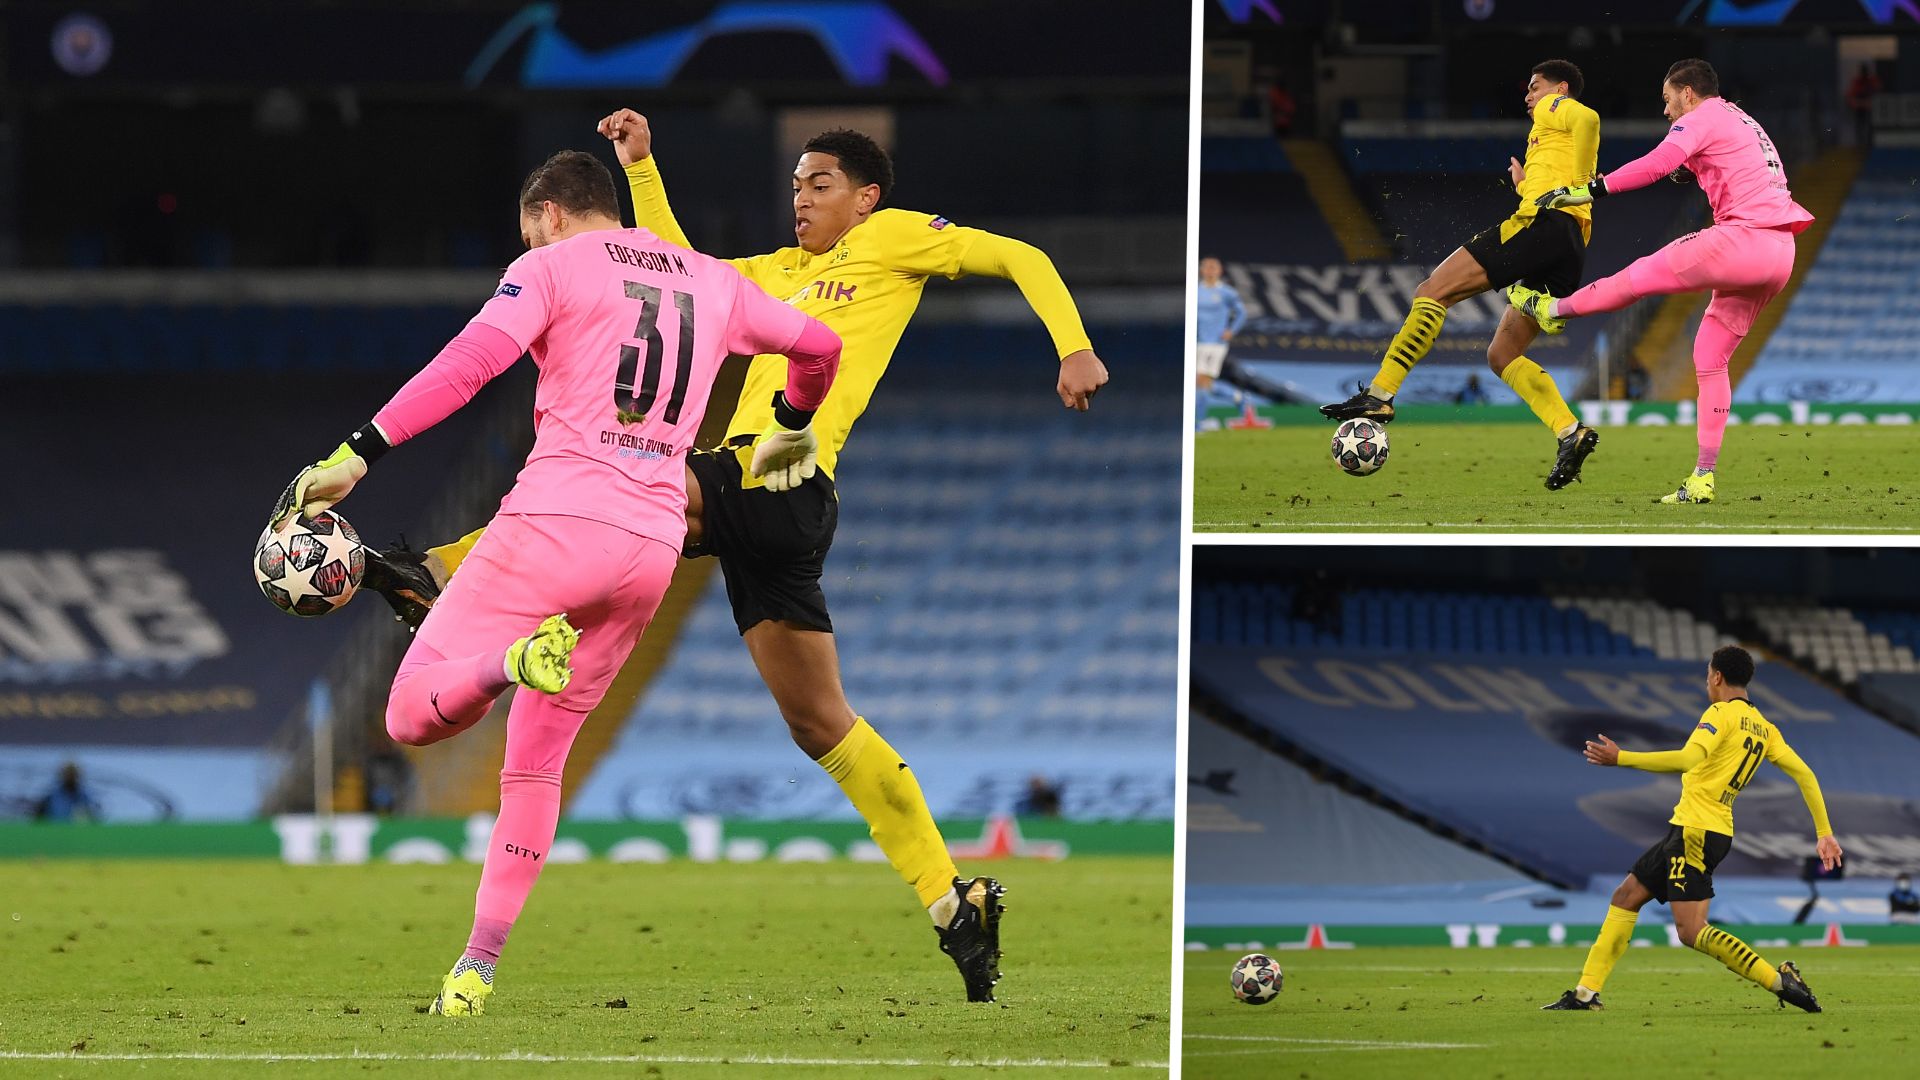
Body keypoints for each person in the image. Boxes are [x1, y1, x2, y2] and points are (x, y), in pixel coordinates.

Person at [359, 112, 1110, 1003]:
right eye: (794, 184)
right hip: (768, 507)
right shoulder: (774, 274)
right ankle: (953, 901)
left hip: (779, 475)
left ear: (866, 198)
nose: (800, 198)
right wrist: (640, 168)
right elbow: (672, 267)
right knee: (821, 723)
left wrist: (1073, 345)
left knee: (630, 481)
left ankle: (436, 569)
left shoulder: (897, 240)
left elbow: (1019, 255)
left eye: (819, 184)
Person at [267, 149, 842, 1016]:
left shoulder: (549, 265)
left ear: (547, 214)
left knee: (406, 710)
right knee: (537, 769)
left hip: (552, 524)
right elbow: (821, 345)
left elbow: (468, 367)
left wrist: (358, 454)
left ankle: (508, 663)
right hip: (650, 547)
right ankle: (474, 970)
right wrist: (792, 424)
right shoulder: (712, 280)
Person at [1509, 59, 1813, 505]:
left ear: (1688, 92)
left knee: (1640, 276)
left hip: (1742, 240)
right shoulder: (1740, 118)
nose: (1666, 111)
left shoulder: (1703, 116)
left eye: (1668, 100)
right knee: (1709, 358)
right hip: (1780, 253)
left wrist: (1591, 189)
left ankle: (1550, 309)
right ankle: (1703, 478)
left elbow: (1657, 164)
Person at [1322, 60, 1601, 491]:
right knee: (1502, 355)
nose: (1528, 95)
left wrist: (1576, 183)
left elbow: (1589, 118)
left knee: (1432, 291)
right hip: (1569, 244)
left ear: (1560, 88)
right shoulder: (1546, 138)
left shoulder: (1557, 108)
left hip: (1540, 224)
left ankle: (1380, 396)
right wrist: (1526, 184)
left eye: (1535, 86)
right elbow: (1563, 174)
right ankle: (1570, 432)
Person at [1542, 645, 1839, 1013]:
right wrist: (1824, 832)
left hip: (1696, 833)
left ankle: (1780, 982)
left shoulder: (1720, 713)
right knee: (1626, 896)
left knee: (1691, 931)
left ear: (1716, 676)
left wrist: (1622, 758)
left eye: (1707, 675)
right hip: (1693, 828)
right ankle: (1585, 995)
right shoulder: (1765, 728)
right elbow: (1805, 775)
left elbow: (1687, 758)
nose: (1707, 683)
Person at [1195, 256, 1246, 392]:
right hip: (1197, 341)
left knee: (1201, 380)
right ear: (1201, 270)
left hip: (1215, 342)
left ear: (1220, 271)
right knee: (1200, 383)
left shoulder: (1227, 293)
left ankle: (1238, 398)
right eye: (1207, 267)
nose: (1210, 271)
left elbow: (1242, 313)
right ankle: (1237, 397)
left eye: (1213, 268)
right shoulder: (1195, 290)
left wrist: (1231, 330)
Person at [34, 762, 102, 822]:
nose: (70, 778)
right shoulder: (51, 798)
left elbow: (94, 819)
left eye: (73, 775)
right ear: (62, 776)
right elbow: (38, 820)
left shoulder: (85, 797)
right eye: (68, 774)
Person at [1848, 63, 1880, 149]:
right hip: (1859, 108)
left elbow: (1877, 89)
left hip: (1868, 108)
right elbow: (1851, 96)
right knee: (1860, 127)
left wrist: (1868, 102)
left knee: (1869, 128)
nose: (1864, 74)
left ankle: (1870, 144)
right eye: (1863, 72)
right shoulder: (1857, 81)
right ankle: (1860, 145)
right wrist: (1858, 103)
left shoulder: (1871, 81)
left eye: (1865, 72)